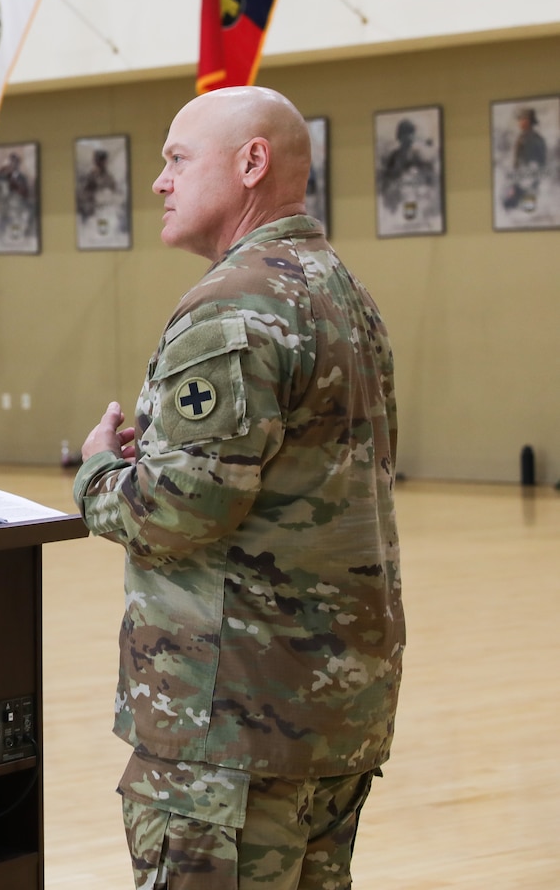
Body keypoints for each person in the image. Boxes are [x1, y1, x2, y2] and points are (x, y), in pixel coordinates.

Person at [73, 87, 404, 889]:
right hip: (330, 710)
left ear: (252, 162)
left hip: (231, 724)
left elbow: (179, 512)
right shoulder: (342, 291)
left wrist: (98, 476)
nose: (159, 181)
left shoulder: (234, 301)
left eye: (177, 159)